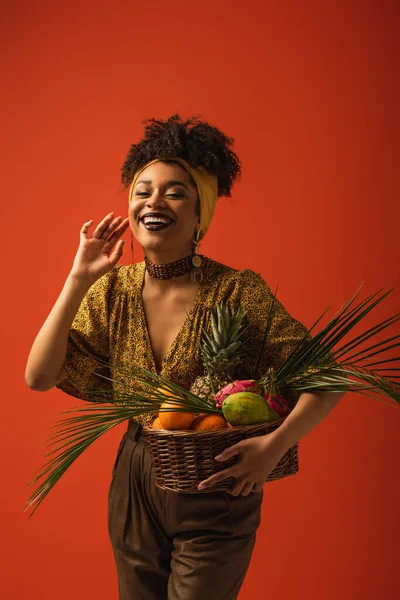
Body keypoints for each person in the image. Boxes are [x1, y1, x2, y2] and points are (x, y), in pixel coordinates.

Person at [25, 114, 344, 600]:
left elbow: (328, 376)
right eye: (142, 190)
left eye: (175, 192)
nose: (153, 202)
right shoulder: (113, 290)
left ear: (201, 213)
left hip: (216, 481)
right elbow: (38, 376)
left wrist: (274, 447)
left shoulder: (238, 291)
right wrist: (77, 279)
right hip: (134, 478)